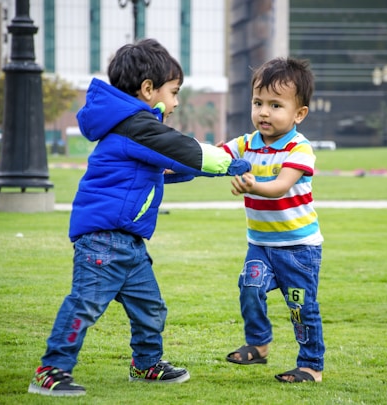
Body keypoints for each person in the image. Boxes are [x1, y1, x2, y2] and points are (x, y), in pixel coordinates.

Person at [28, 38, 250, 397]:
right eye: (174, 92)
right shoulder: (136, 125)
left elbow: (164, 165)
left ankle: (146, 365)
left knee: (150, 307)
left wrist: (189, 170)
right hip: (103, 240)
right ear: (148, 89)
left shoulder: (136, 128)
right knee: (84, 305)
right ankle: (50, 370)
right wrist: (227, 163)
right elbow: (182, 149)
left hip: (129, 244)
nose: (176, 102)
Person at [222, 57, 324, 383]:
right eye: (258, 103)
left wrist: (253, 184)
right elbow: (213, 157)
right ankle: (259, 344)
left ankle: (311, 365)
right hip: (261, 245)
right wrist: (176, 164)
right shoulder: (246, 144)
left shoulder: (299, 148)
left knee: (300, 309)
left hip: (299, 249)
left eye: (275, 105)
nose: (263, 112)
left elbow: (280, 187)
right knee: (250, 287)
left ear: (299, 114)